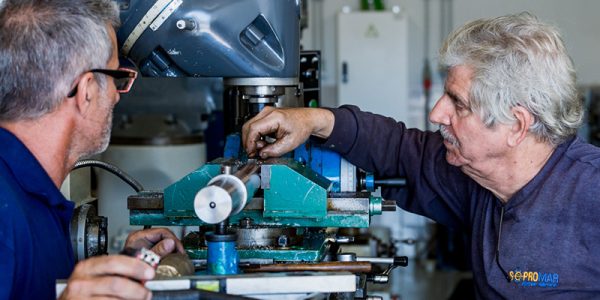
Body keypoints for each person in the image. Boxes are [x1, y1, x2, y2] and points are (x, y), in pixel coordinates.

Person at [243, 12, 600, 298]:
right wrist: (313, 120)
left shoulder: (591, 192)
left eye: (458, 104)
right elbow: (397, 149)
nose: (436, 113)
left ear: (517, 125)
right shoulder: (476, 178)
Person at [0, 1, 185, 299]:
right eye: (116, 77)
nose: (116, 95)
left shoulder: (35, 199)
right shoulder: (4, 214)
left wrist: (116, 270)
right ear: (86, 91)